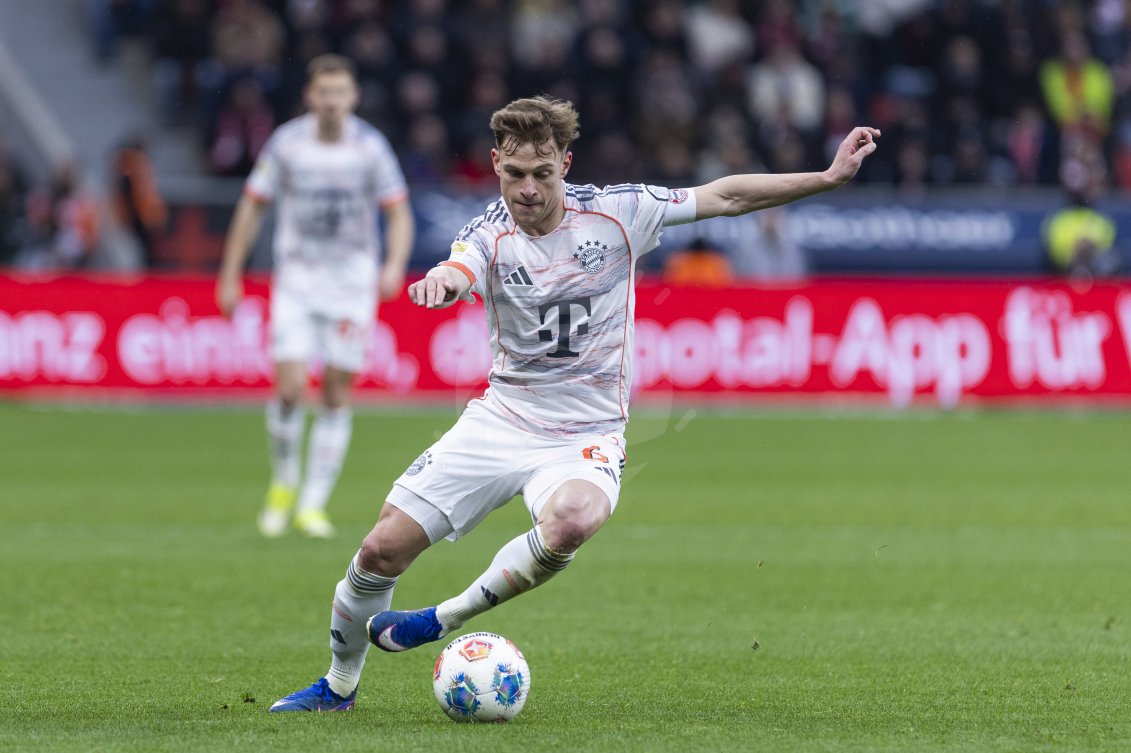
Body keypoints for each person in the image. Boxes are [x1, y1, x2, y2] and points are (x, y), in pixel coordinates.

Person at [269, 96, 878, 711]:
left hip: (587, 433)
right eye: (514, 174)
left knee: (572, 522)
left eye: (542, 173)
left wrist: (826, 178)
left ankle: (442, 618)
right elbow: (459, 266)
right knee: (379, 550)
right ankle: (338, 687)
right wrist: (442, 281)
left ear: (565, 163)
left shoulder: (619, 212)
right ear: (495, 164)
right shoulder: (488, 231)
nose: (528, 190)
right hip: (503, 418)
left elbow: (727, 195)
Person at [216, 54, 415, 539]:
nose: (331, 102)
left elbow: (398, 212)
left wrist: (393, 265)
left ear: (353, 97)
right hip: (298, 282)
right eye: (323, 93)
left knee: (335, 393)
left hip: (351, 285)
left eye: (339, 93)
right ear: (310, 96)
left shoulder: (370, 148)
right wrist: (230, 273)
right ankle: (284, 482)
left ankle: (312, 504)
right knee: (288, 389)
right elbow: (251, 206)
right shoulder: (287, 144)